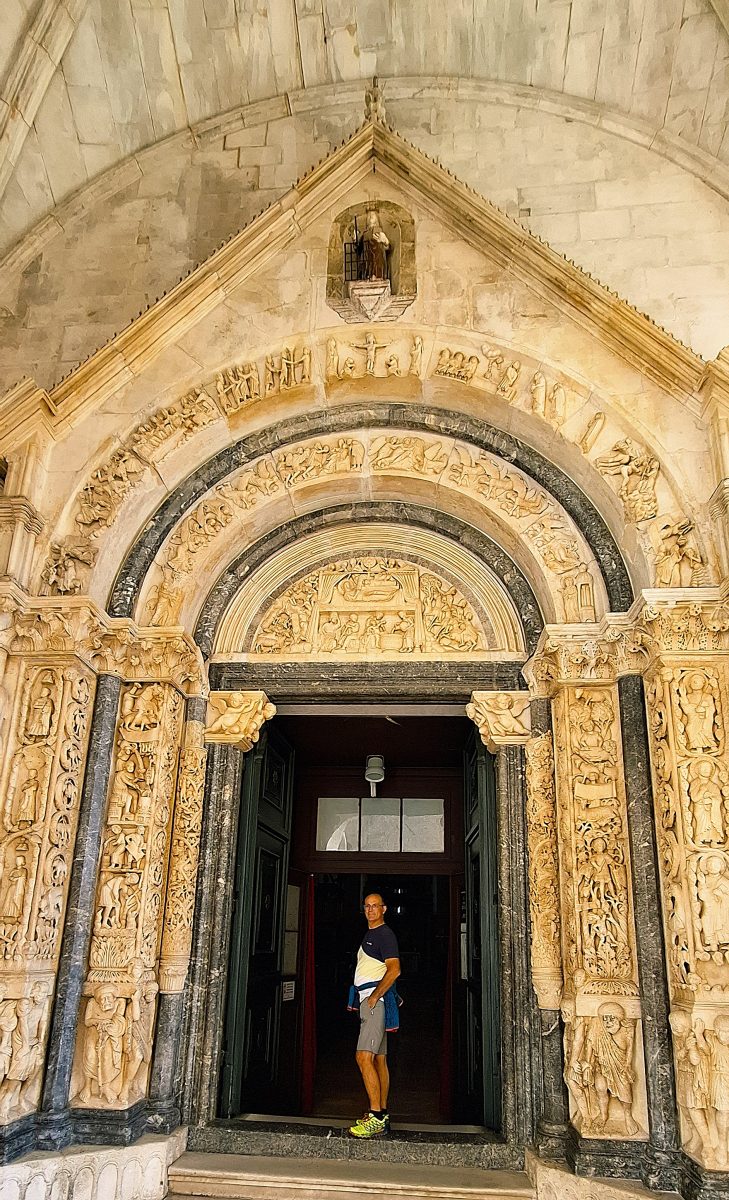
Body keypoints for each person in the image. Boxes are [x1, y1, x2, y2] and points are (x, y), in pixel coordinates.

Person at [347, 892, 401, 1138]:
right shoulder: (371, 934)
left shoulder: (384, 934)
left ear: (384, 909)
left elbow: (395, 970)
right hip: (372, 1002)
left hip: (374, 1003)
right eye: (367, 906)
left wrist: (374, 996)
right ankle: (381, 1114)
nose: (370, 910)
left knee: (363, 1057)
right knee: (379, 1059)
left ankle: (376, 1117)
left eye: (375, 906)